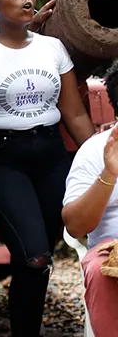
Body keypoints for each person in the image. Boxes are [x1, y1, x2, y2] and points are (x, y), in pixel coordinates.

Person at [0, 0, 95, 337]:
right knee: (33, 255)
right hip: (1, 158)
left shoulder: (53, 48)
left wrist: (101, 156)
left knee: (40, 259)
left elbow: (73, 113)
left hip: (51, 155)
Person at [62, 59, 118, 337]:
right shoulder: (96, 150)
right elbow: (75, 226)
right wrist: (109, 173)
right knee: (100, 270)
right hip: (111, 252)